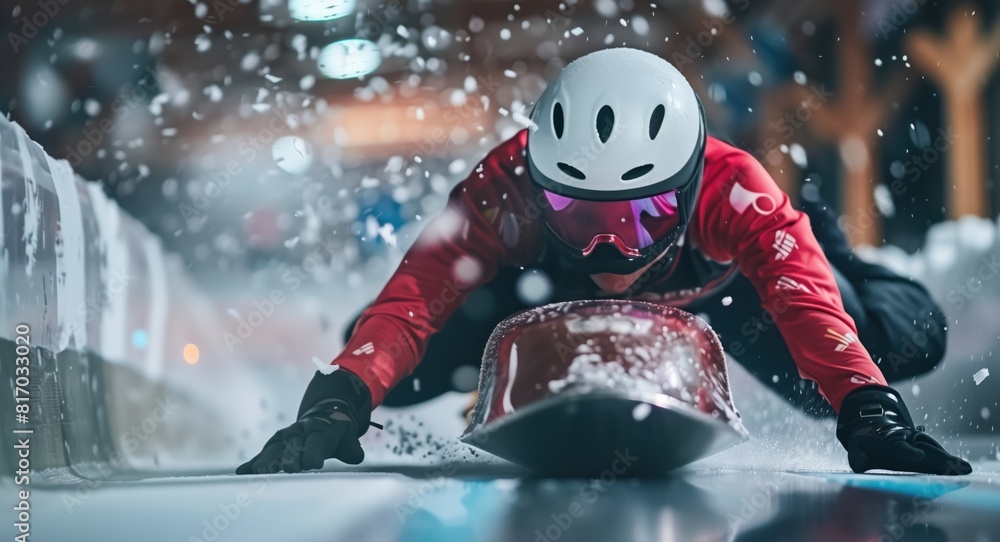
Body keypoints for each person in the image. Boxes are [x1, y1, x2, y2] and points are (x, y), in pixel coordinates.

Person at [237, 48, 971, 477]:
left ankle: (843, 254)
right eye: (581, 217)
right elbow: (414, 301)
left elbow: (802, 303)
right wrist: (344, 395)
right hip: (541, 287)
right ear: (540, 187)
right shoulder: (502, 188)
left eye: (643, 216)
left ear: (687, 191)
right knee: (398, 373)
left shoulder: (735, 187)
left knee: (879, 357)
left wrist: (865, 404)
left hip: (719, 286)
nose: (612, 250)